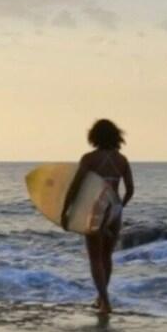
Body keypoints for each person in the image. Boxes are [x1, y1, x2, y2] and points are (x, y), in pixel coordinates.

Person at [63, 118, 134, 315]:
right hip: (114, 210)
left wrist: (65, 211)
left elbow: (75, 186)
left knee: (95, 258)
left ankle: (105, 301)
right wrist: (120, 207)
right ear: (116, 136)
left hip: (95, 210)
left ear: (94, 137)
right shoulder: (122, 160)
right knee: (106, 257)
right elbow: (130, 189)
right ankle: (101, 299)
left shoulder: (89, 159)